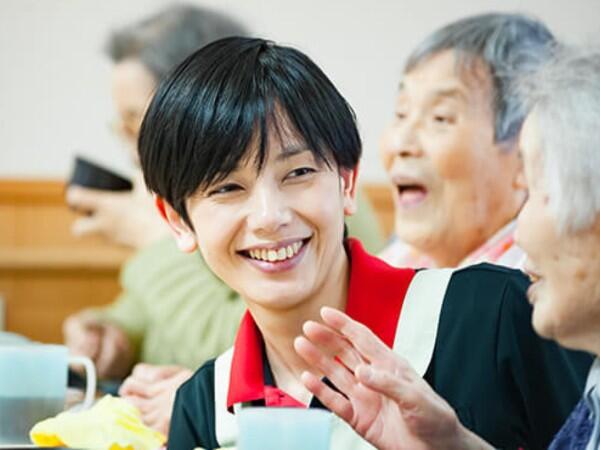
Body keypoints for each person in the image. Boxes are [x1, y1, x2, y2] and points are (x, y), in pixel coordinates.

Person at [136, 37, 591, 450]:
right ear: (178, 221)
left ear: (347, 182)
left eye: (298, 173)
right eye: (227, 189)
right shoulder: (203, 407)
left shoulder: (492, 314)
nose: (270, 217)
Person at [62, 4, 384, 436]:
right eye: (122, 125)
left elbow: (265, 337)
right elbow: (156, 309)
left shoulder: (315, 209)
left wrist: (154, 241)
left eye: (136, 120)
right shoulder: (197, 203)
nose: (131, 145)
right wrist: (112, 331)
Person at [296, 44, 600, 450]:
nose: (400, 142)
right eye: (401, 113)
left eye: (535, 186)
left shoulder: (500, 300)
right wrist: (453, 443)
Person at [378, 13, 554, 269]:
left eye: (440, 117)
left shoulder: (531, 287)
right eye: (401, 113)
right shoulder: (399, 260)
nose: (399, 144)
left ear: (525, 154)